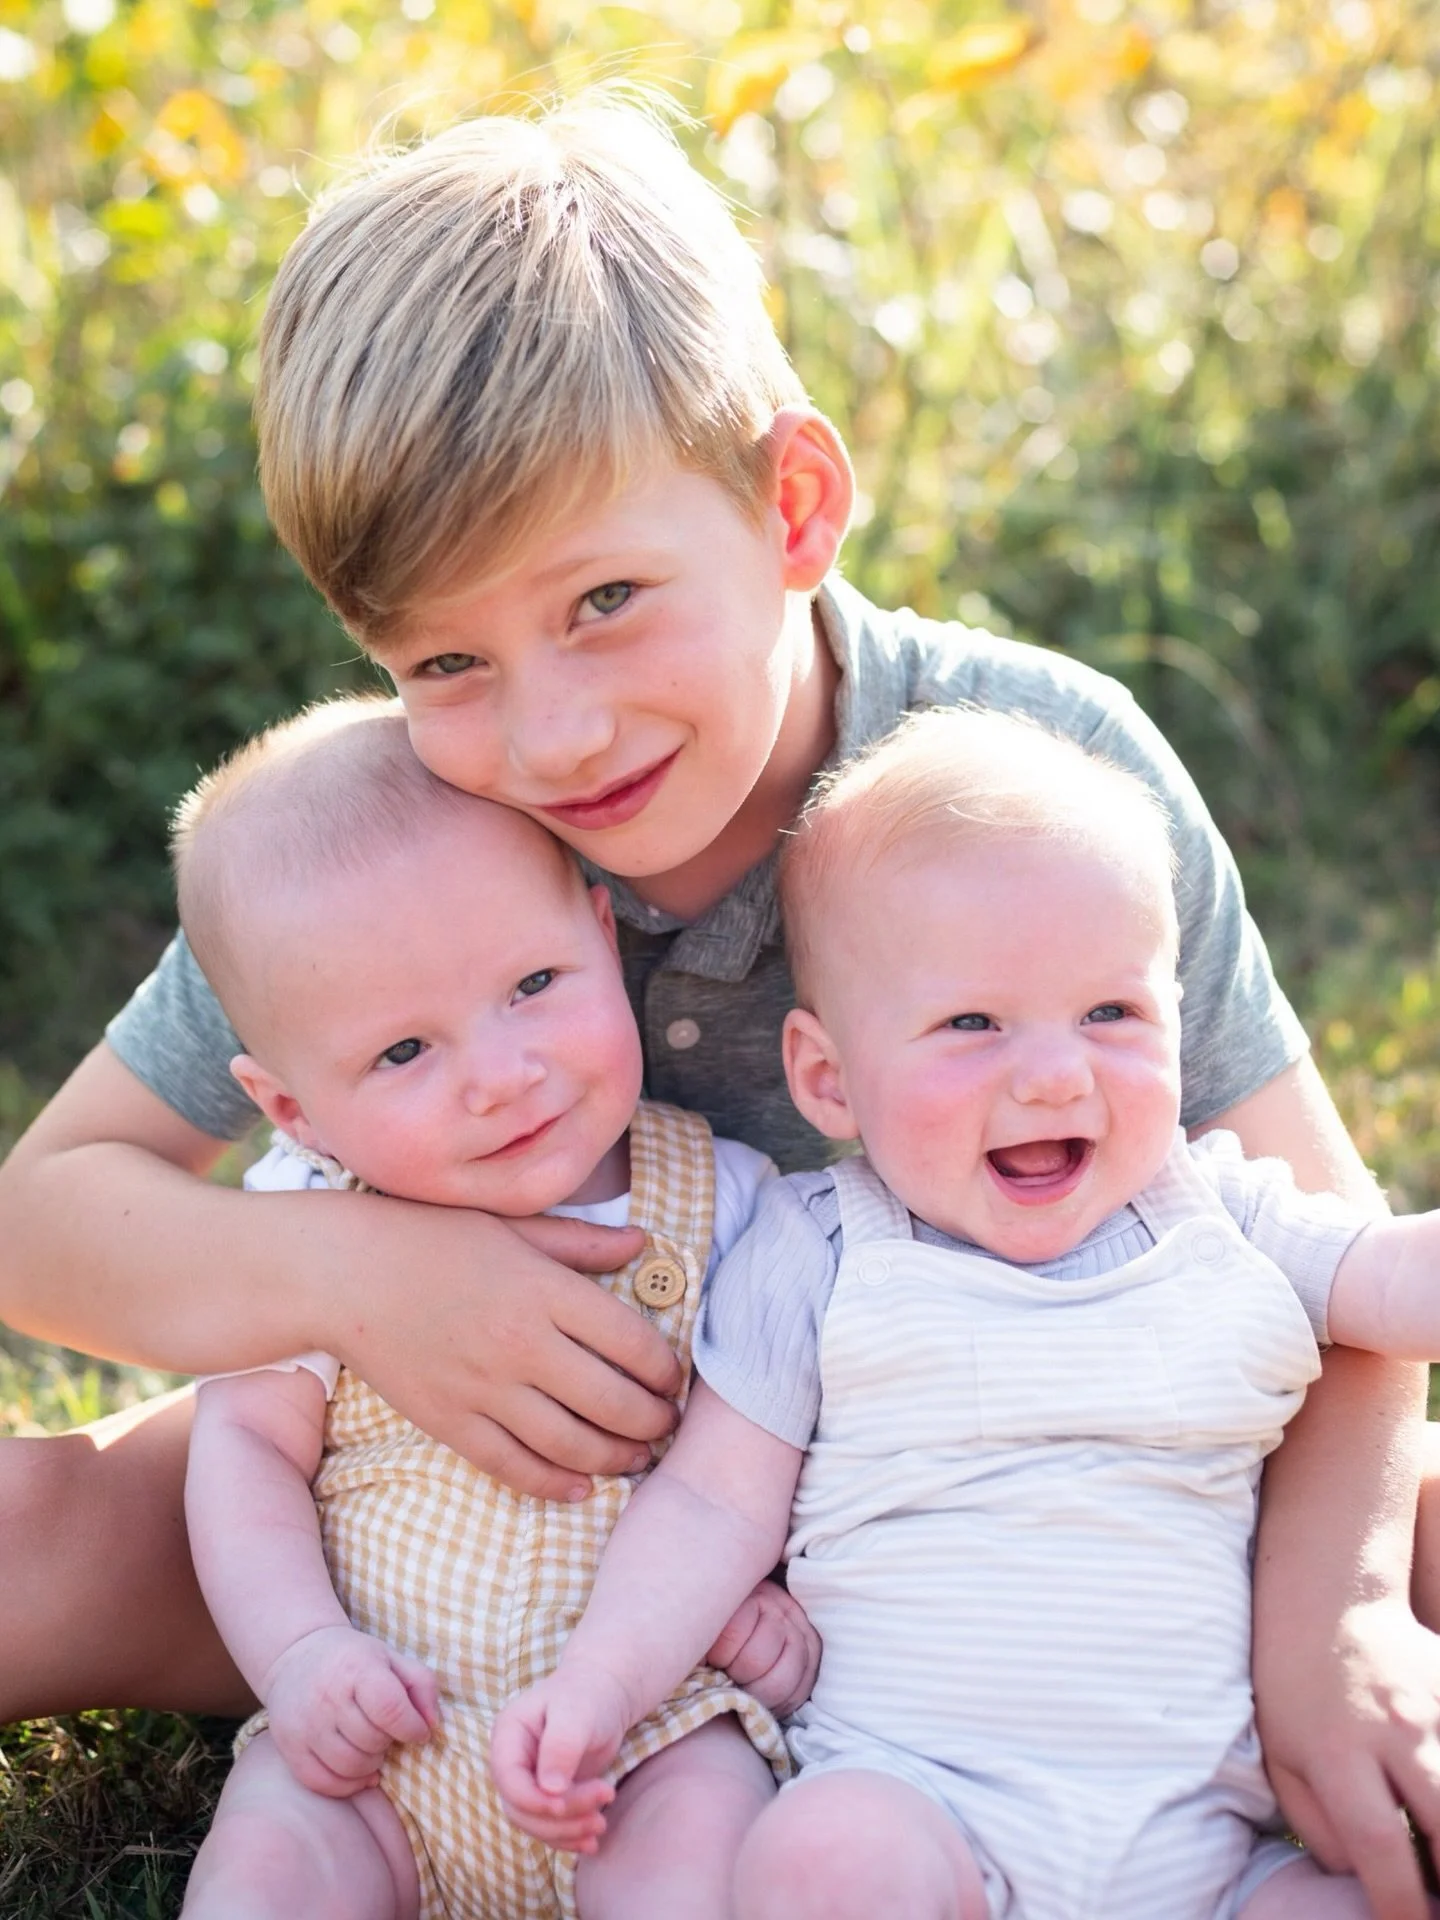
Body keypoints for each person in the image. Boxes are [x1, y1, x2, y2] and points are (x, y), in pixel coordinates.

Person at [0, 90, 1436, 1914]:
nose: (550, 732)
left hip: (1019, 1471)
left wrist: (1337, 1614)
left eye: (606, 598)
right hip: (440, 1515)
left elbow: (1331, 1258)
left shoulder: (1020, 775)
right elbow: (44, 1220)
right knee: (28, 1531)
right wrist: (372, 1275)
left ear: (795, 505)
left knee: (1417, 1523)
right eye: (444, 657)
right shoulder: (415, 836)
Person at [491, 708, 1440, 1920]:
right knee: (822, 1855)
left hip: (1217, 1850)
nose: (1055, 1073)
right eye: (973, 1025)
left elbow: (1401, 1281)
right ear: (828, 1078)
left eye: (1112, 1015)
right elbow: (711, 1504)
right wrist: (598, 1686)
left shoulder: (1228, 1218)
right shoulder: (821, 1250)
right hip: (924, 1813)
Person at [172, 697, 805, 1920]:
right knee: (266, 1871)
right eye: (404, 1053)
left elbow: (772, 1444)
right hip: (377, 1739)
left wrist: (770, 1588)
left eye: (532, 983)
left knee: (704, 1855)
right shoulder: (301, 1222)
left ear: (598, 930)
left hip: (648, 1728)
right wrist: (301, 1656)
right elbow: (243, 1453)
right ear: (292, 1108)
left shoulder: (734, 1203)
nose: (500, 1076)